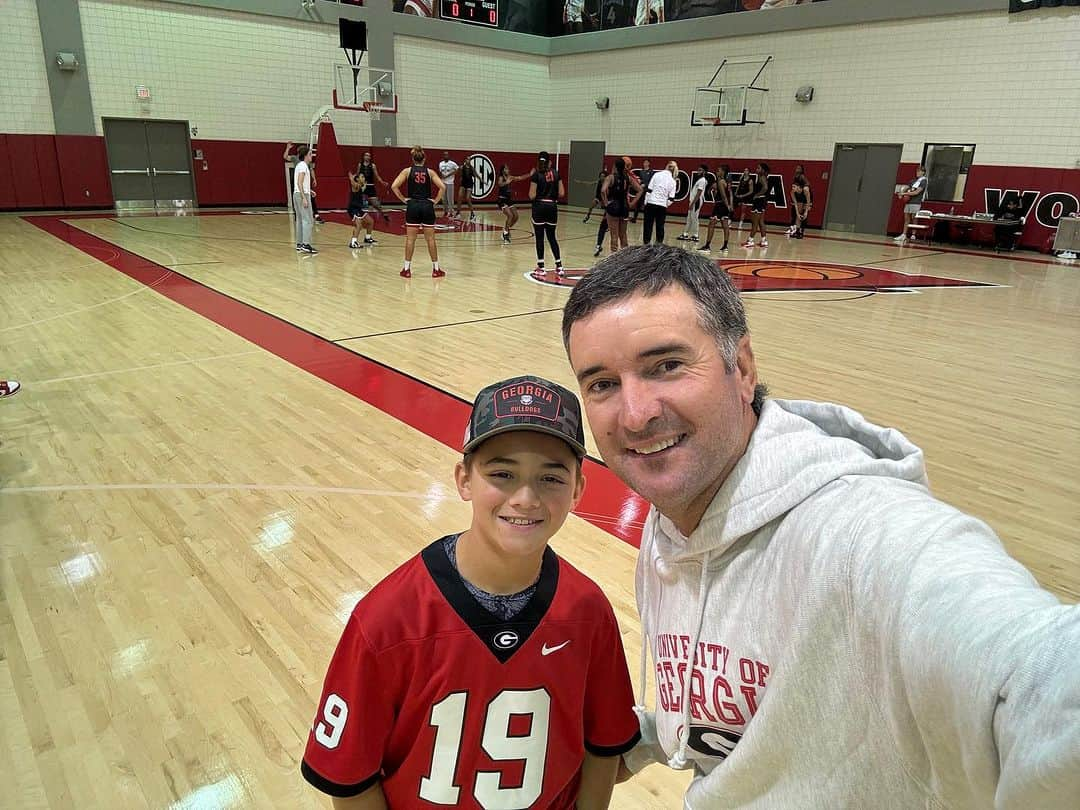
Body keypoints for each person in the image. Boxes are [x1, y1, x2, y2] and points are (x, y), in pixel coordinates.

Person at [560, 244, 1080, 809]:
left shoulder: (862, 533)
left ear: (745, 367)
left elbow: (1030, 671)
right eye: (603, 384)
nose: (635, 414)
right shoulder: (681, 511)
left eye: (666, 365)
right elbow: (747, 723)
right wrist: (627, 741)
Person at [301, 374, 641, 809]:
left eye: (551, 479)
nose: (525, 497)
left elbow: (603, 745)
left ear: (577, 488)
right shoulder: (388, 620)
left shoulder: (589, 612)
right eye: (502, 473)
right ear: (464, 479)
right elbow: (349, 779)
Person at [391, 145, 446, 278]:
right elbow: (442, 187)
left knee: (410, 239)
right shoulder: (430, 172)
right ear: (424, 158)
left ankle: (406, 269)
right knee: (431, 239)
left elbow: (394, 186)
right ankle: (436, 269)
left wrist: (404, 199)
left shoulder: (407, 171)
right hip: (427, 205)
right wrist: (435, 201)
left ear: (413, 158)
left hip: (413, 205)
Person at [529, 151, 566, 277]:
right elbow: (562, 193)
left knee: (539, 237)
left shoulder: (536, 175)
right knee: (552, 237)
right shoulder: (556, 174)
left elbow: (531, 195)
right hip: (552, 206)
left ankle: (541, 267)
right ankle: (559, 265)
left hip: (539, 206)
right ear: (549, 161)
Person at [601, 157, 643, 255]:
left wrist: (606, 202)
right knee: (623, 234)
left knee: (614, 235)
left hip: (613, 207)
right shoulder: (628, 178)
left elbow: (603, 190)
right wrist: (632, 203)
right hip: (624, 207)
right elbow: (640, 190)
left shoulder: (610, 177)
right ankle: (626, 256)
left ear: (615, 166)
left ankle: (614, 256)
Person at [698, 163, 733, 253]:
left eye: (718, 170)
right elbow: (730, 194)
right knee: (725, 226)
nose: (717, 172)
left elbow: (724, 196)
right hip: (724, 206)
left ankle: (707, 246)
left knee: (711, 224)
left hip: (720, 205)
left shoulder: (721, 182)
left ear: (723, 172)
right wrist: (730, 205)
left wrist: (727, 205)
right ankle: (725, 246)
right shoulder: (726, 182)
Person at [642, 161, 678, 245]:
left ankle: (646, 245)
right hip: (662, 206)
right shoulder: (673, 181)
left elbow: (649, 190)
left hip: (651, 203)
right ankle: (659, 245)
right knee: (660, 227)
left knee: (647, 226)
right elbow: (671, 199)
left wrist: (646, 202)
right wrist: (665, 204)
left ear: (666, 166)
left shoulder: (656, 175)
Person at [496, 164, 531, 244]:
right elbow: (500, 184)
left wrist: (530, 174)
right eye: (506, 169)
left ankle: (506, 229)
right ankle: (505, 234)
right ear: (503, 170)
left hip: (508, 199)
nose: (508, 170)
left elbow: (520, 178)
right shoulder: (501, 177)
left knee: (516, 216)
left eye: (508, 169)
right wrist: (506, 183)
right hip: (501, 199)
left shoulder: (510, 177)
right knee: (510, 215)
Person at [292, 145, 318, 255]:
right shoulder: (303, 166)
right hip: (301, 195)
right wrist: (304, 197)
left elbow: (300, 184)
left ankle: (299, 244)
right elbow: (299, 182)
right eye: (310, 154)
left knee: (300, 220)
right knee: (308, 220)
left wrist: (309, 191)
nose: (311, 156)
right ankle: (306, 244)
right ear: (306, 155)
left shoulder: (299, 165)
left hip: (297, 194)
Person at [346, 167, 377, 248]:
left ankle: (368, 238)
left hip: (358, 208)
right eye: (362, 177)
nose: (364, 178)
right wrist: (351, 178)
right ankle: (353, 242)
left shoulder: (361, 185)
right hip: (353, 208)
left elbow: (362, 186)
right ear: (357, 179)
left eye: (364, 177)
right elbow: (354, 184)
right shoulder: (356, 186)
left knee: (370, 221)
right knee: (358, 225)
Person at [895, 165, 927, 243]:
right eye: (917, 171)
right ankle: (904, 234)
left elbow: (916, 192)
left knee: (914, 218)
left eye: (919, 171)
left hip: (916, 202)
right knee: (906, 219)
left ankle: (913, 234)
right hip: (909, 202)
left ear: (923, 172)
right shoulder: (913, 181)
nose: (917, 173)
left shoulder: (923, 181)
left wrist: (905, 193)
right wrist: (901, 192)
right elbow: (906, 187)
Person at [679, 164, 709, 242]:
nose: (698, 171)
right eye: (698, 170)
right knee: (689, 218)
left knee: (694, 218)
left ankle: (696, 235)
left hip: (697, 201)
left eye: (700, 170)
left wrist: (692, 203)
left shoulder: (702, 180)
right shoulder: (700, 180)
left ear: (704, 172)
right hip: (693, 201)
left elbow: (699, 193)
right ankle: (685, 233)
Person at [357, 152, 391, 223]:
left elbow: (377, 176)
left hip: (370, 186)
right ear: (363, 157)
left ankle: (384, 214)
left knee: (375, 203)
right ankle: (358, 216)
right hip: (362, 186)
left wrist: (382, 182)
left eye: (369, 156)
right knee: (357, 200)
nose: (368, 157)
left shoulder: (372, 165)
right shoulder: (360, 165)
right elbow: (357, 174)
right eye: (366, 155)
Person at [742, 162, 769, 249]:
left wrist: (757, 195)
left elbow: (765, 188)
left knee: (755, 222)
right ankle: (764, 241)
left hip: (759, 201)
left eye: (758, 168)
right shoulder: (761, 177)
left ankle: (750, 240)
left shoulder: (762, 177)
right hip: (762, 201)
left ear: (763, 170)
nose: (756, 169)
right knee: (761, 222)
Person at [788, 169, 812, 239]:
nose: (792, 188)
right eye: (792, 187)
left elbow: (808, 201)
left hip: (807, 199)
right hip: (800, 199)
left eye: (794, 187)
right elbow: (795, 204)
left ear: (799, 187)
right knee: (798, 214)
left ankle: (801, 231)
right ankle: (797, 230)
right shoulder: (792, 192)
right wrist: (797, 213)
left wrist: (806, 212)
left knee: (804, 214)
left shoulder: (805, 190)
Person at [630, 159, 653, 224]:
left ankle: (648, 219)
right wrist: (640, 182)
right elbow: (640, 180)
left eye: (646, 162)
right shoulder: (641, 171)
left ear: (649, 163)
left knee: (647, 205)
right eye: (644, 162)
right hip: (641, 190)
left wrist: (645, 184)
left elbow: (652, 181)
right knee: (638, 204)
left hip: (647, 190)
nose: (645, 163)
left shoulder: (651, 172)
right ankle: (634, 218)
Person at [438, 151, 459, 219]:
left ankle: (451, 212)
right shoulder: (441, 163)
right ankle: (445, 211)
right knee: (444, 199)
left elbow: (458, 169)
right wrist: (442, 175)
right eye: (444, 155)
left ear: (449, 156)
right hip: (443, 183)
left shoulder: (452, 163)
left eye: (447, 155)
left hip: (450, 183)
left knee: (450, 198)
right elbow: (440, 171)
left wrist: (450, 174)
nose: (445, 156)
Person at [786, 163, 805, 235]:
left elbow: (806, 186)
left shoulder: (802, 177)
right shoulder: (795, 177)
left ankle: (799, 229)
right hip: (796, 196)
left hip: (801, 197)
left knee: (799, 214)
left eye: (799, 168)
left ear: (802, 170)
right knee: (793, 213)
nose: (797, 169)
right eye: (796, 168)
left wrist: (800, 190)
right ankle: (792, 228)